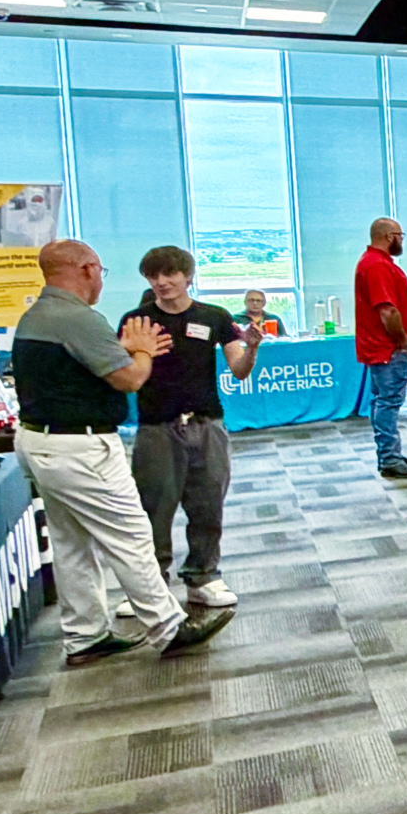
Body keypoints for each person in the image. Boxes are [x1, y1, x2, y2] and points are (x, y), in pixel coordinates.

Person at [13, 240, 232, 666]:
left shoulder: (37, 314)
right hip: (79, 446)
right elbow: (130, 379)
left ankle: (85, 635)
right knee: (132, 534)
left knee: (72, 544)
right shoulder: (79, 319)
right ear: (88, 269)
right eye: (101, 272)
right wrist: (143, 350)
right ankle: (169, 627)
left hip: (41, 440)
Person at [118, 245, 258, 612]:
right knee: (153, 509)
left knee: (208, 504)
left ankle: (203, 577)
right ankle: (150, 589)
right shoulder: (137, 320)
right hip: (156, 425)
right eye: (153, 276)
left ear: (188, 277)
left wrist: (252, 348)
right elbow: (124, 372)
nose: (161, 282)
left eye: (169, 274)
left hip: (206, 422)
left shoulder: (214, 316)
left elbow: (239, 370)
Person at [357, 217, 407, 479]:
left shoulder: (375, 263)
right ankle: (389, 458)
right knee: (388, 403)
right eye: (400, 235)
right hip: (389, 349)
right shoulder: (377, 265)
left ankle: (390, 453)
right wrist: (403, 341)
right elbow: (387, 310)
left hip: (382, 348)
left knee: (382, 402)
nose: (401, 240)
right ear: (389, 237)